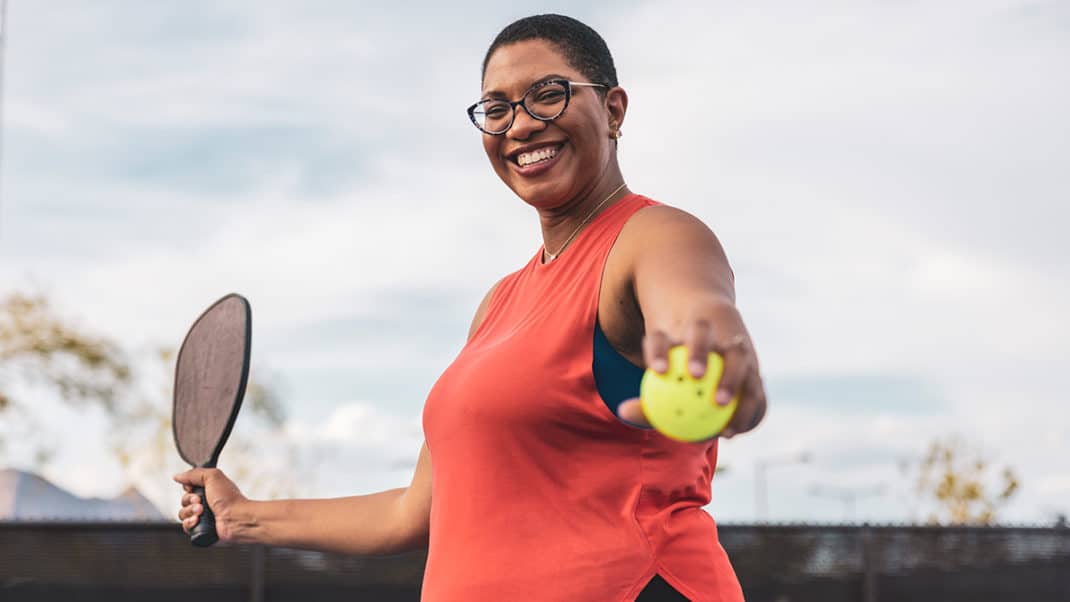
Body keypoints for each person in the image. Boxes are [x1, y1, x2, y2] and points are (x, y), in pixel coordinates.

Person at [175, 14, 766, 601]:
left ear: (613, 110)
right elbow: (413, 512)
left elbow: (693, 306)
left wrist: (707, 342)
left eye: (548, 95)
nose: (521, 125)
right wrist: (242, 517)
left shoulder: (653, 235)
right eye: (497, 108)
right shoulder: (497, 305)